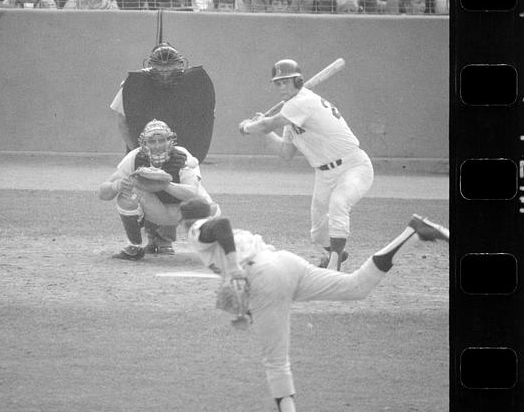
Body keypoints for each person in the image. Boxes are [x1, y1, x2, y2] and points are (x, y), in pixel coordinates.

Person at [177, 197, 449, 412]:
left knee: (275, 362)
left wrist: (235, 268)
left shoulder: (196, 229)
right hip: (285, 264)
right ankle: (412, 233)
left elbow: (221, 225)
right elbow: (232, 256)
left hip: (264, 276)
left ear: (186, 221)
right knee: (357, 287)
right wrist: (246, 310)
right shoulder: (230, 239)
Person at [239, 59, 374, 269]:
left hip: (353, 166)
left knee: (339, 204)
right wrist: (262, 130)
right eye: (278, 83)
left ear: (298, 81)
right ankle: (336, 253)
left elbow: (270, 122)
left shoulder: (302, 101)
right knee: (319, 232)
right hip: (324, 174)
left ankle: (334, 265)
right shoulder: (291, 112)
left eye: (286, 81)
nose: (282, 87)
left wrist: (248, 127)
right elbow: (285, 152)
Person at [99, 119, 216, 259]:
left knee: (210, 207)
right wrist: (117, 185)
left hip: (185, 211)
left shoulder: (182, 156)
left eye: (162, 140)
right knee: (127, 195)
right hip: (156, 210)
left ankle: (213, 243)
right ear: (144, 143)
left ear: (170, 141)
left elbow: (192, 193)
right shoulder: (135, 157)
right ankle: (135, 246)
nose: (157, 146)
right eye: (152, 141)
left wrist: (165, 185)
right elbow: (103, 193)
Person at [109, 44, 216, 161]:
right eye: (160, 68)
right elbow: (122, 122)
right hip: (143, 151)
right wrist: (137, 150)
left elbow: (205, 121)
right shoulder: (134, 85)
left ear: (179, 65)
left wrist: (192, 156)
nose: (165, 73)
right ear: (151, 65)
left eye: (170, 68)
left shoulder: (195, 85)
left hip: (182, 152)